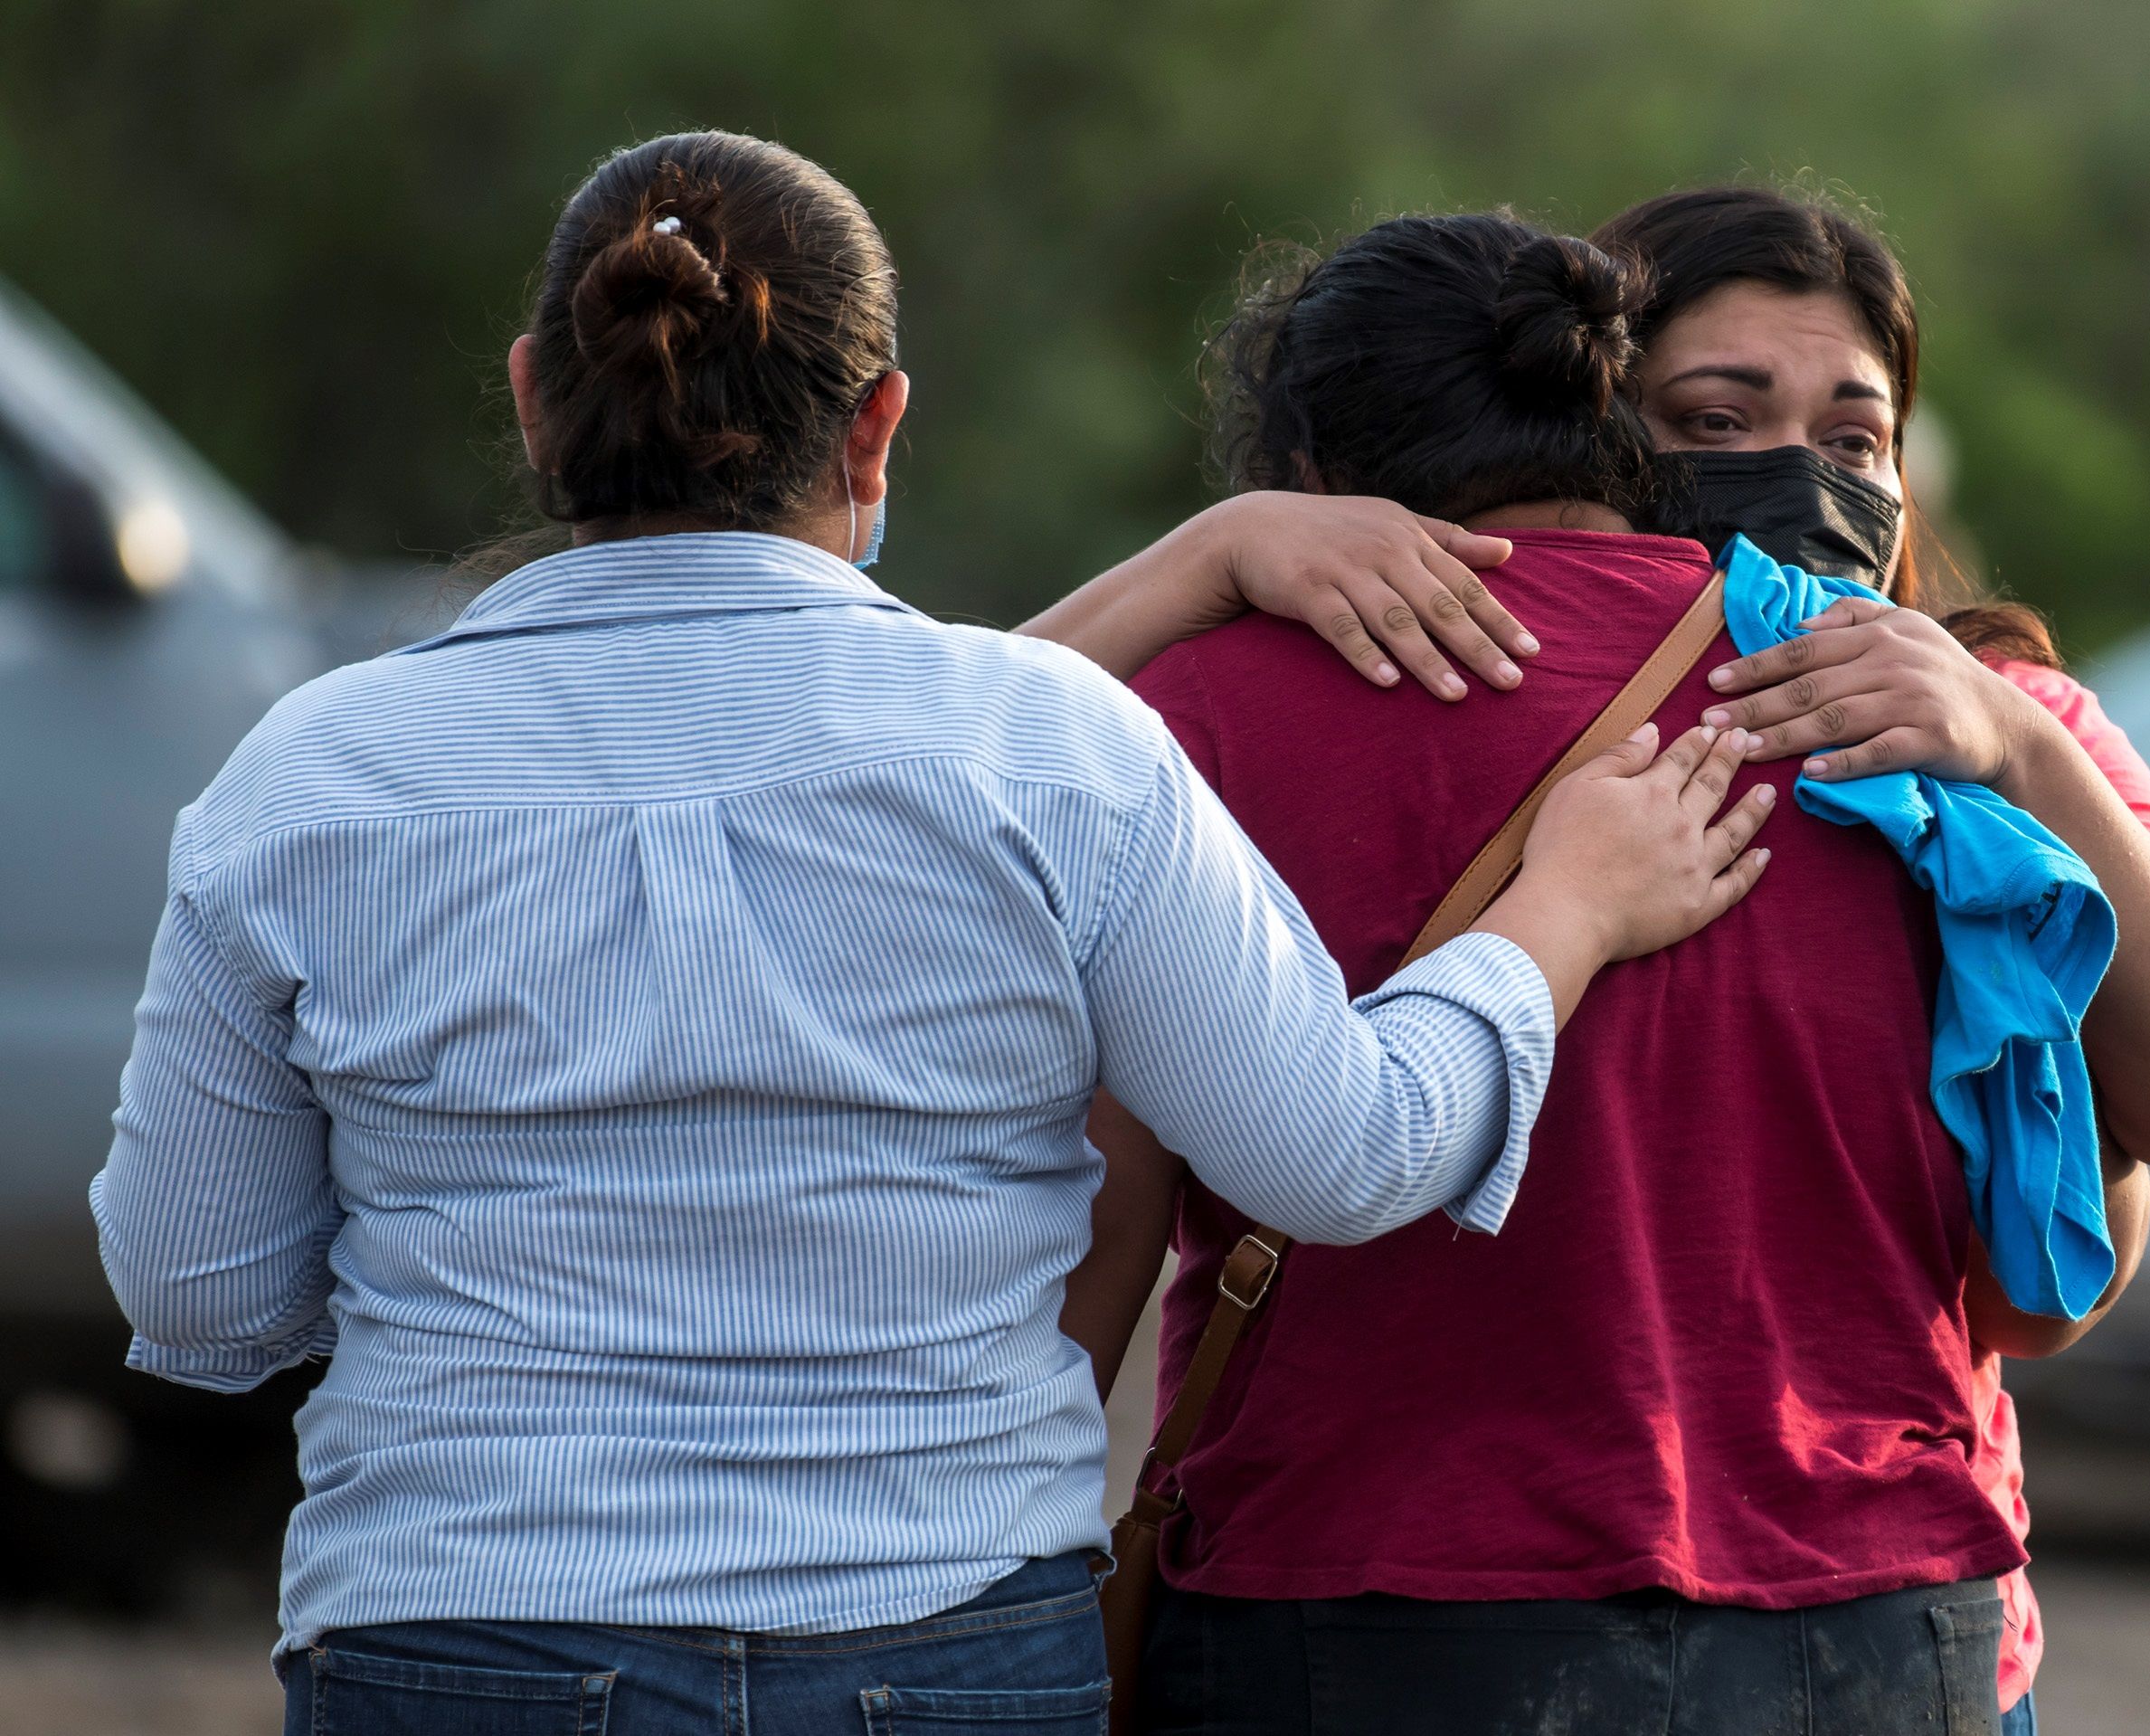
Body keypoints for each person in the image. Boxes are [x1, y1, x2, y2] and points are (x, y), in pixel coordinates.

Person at [86, 133, 1774, 1736]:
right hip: (938, 1647)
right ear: (878, 427)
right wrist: (1565, 907)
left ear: (538, 403)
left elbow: (202, 1297)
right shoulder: (1044, 747)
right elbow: (1345, 1156)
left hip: (454, 1636)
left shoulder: (310, 777)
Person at [1055, 185, 2150, 1735]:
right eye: (1723, 415)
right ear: (1602, 422)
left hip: (1390, 1598)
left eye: (1857, 437)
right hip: (1870, 1616)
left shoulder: (1983, 732)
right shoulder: (1901, 765)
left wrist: (2015, 748)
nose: (1801, 475)